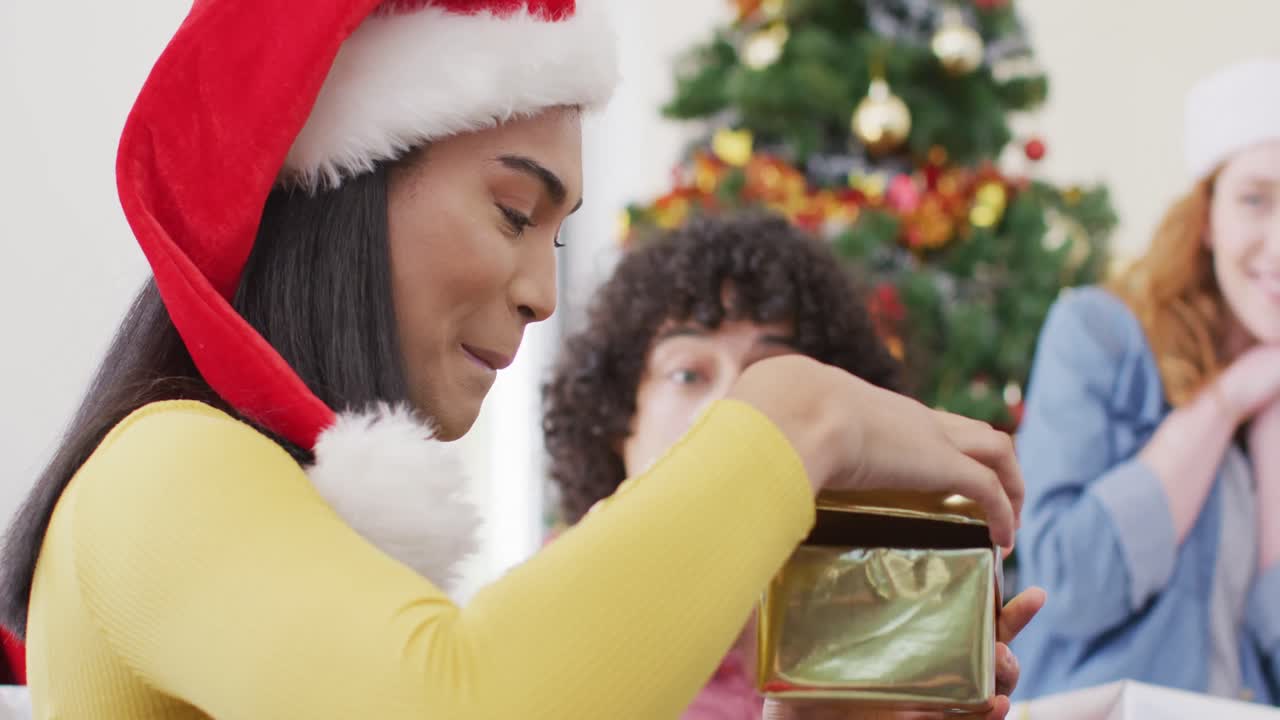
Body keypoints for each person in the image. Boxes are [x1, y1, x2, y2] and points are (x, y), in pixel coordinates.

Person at [0, 2, 1024, 718]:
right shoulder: (163, 467)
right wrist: (795, 412)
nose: (543, 293)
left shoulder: (284, 527)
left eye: (556, 239)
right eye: (510, 212)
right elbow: (465, 703)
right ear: (343, 188)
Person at [545, 214, 1045, 720]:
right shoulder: (551, 622)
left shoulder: (878, 631)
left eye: (772, 380)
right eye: (688, 373)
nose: (730, 405)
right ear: (617, 417)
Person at [1012, 58, 1280, 704]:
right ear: (1208, 218)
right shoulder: (1097, 335)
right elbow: (1067, 587)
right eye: (1256, 199)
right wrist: (1232, 397)